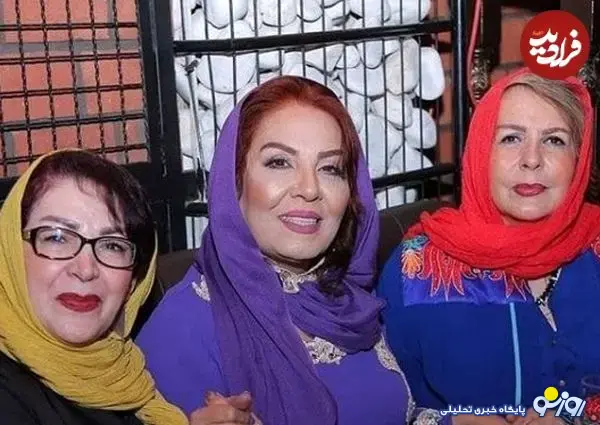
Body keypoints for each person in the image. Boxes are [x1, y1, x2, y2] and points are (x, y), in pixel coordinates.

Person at [136, 76, 451, 425]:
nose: (309, 189)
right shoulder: (181, 330)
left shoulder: (349, 299)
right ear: (234, 179)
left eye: (330, 168)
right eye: (279, 162)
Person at [377, 68, 600, 425]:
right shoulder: (416, 269)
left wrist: (582, 418)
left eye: (555, 140)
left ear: (579, 158)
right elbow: (381, 406)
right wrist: (454, 422)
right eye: (511, 138)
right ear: (482, 151)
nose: (532, 159)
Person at [0, 149, 188, 425]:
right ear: (10, 254)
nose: (86, 269)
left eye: (112, 245)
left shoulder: (123, 377)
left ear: (133, 282)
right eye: (56, 237)